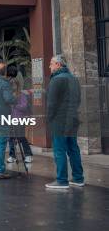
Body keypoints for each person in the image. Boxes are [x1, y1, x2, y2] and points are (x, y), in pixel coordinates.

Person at [45, 55, 84, 189]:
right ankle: (78, 178)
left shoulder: (56, 80)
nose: (49, 66)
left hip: (60, 120)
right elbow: (78, 100)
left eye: (51, 64)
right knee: (73, 149)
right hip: (73, 118)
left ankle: (62, 180)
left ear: (58, 65)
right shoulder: (74, 79)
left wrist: (49, 119)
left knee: (59, 150)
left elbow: (51, 104)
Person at [6, 65, 33, 164]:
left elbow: (24, 107)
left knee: (21, 137)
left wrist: (15, 105)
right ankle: (12, 156)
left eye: (13, 86)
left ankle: (28, 155)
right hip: (10, 119)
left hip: (19, 119)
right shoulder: (8, 95)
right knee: (11, 138)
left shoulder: (22, 95)